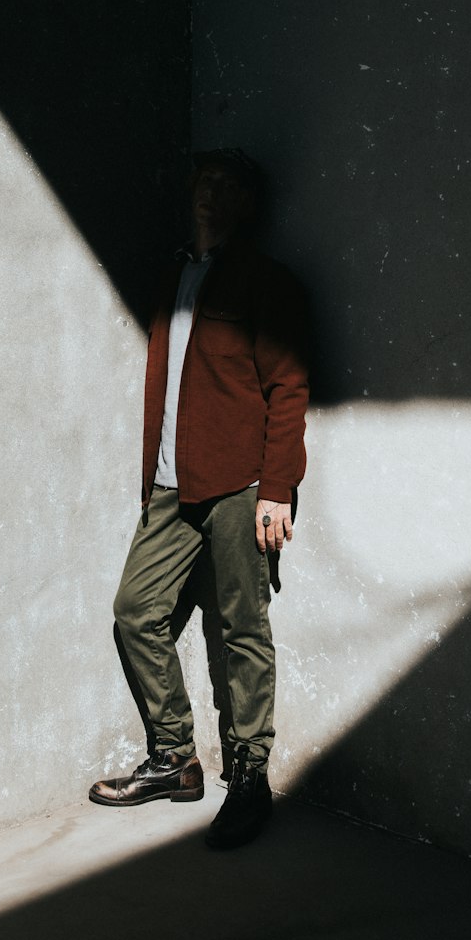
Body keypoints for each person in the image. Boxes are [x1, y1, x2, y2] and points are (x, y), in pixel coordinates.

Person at [88, 149, 309, 849]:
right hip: (168, 485)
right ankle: (176, 758)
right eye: (203, 185)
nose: (210, 197)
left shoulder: (264, 282)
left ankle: (249, 777)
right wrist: (152, 485)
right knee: (135, 612)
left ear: (247, 204)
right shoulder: (177, 274)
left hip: (240, 486)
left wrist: (277, 490)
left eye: (226, 188)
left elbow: (288, 387)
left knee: (242, 627)